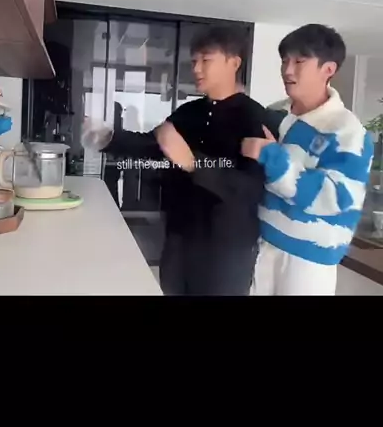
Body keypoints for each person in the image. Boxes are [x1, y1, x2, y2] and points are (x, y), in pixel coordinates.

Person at [83, 25, 280, 296]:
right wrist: (108, 138)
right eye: (194, 61)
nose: (196, 69)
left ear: (234, 63)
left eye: (206, 60)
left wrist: (193, 163)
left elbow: (249, 189)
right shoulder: (188, 112)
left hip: (227, 246)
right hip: (179, 234)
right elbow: (155, 145)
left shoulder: (256, 118)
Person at [241, 24, 374, 296]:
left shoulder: (348, 130)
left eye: (299, 61)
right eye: (284, 60)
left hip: (308, 260)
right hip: (262, 244)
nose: (287, 70)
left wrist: (272, 158)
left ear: (328, 69)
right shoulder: (275, 114)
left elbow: (337, 196)